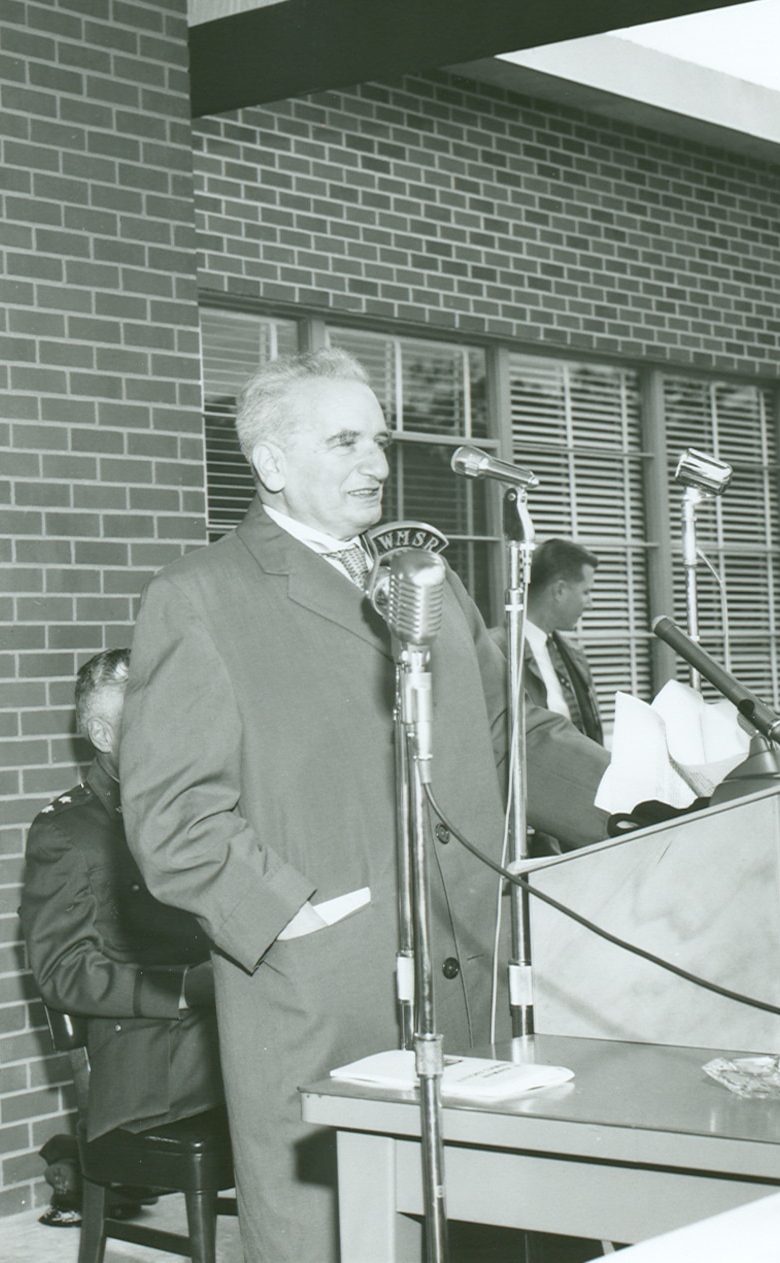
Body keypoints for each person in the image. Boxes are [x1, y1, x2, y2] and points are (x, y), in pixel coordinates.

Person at [119, 350, 610, 1262]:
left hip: (469, 973)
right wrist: (297, 916)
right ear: (271, 464)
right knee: (343, 1240)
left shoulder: (424, 574)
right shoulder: (200, 598)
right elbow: (173, 820)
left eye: (379, 438)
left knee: (487, 1228)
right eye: (346, 440)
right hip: (327, 990)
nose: (379, 463)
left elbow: (514, 733)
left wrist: (631, 797)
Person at [19, 650, 225, 1218]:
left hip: (213, 1036)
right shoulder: (67, 832)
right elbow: (63, 971)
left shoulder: (189, 812)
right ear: (105, 734)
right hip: (147, 1062)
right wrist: (184, 989)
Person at [494, 537, 604, 744]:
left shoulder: (573, 655)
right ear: (559, 590)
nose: (591, 604)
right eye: (586, 592)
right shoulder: (497, 652)